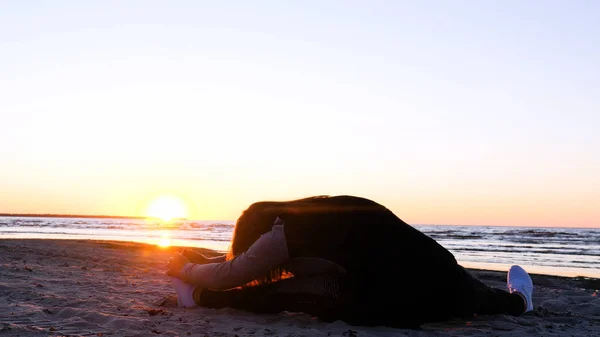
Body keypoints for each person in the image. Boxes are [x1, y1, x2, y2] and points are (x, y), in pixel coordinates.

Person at [166, 195, 534, 328]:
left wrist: (184, 269)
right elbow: (242, 261)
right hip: (446, 279)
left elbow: (232, 273)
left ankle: (195, 298)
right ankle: (519, 300)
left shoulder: (280, 232)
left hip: (393, 300)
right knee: (480, 298)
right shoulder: (323, 211)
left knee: (284, 294)